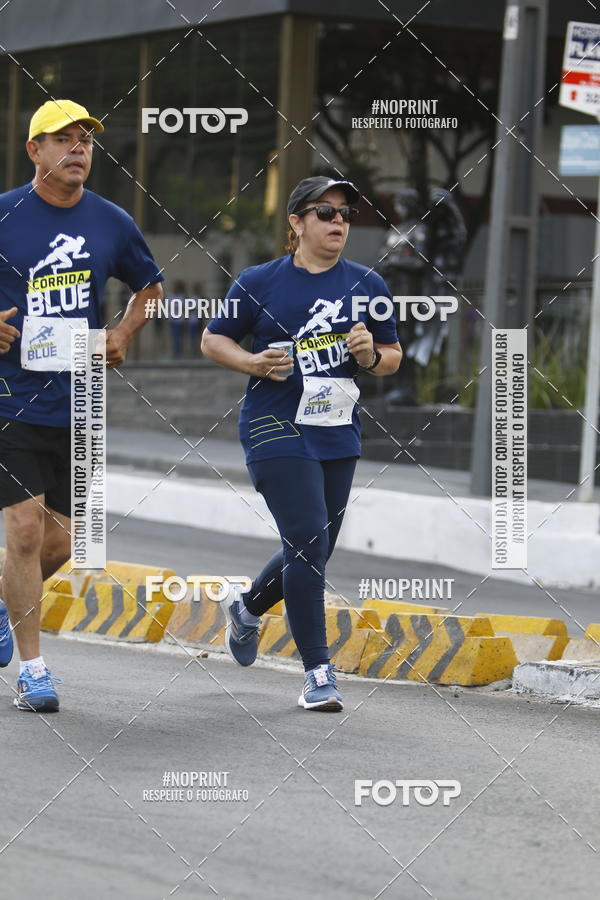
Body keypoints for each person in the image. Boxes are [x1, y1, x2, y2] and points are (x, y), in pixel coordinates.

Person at [201, 176, 402, 711]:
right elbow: (212, 338)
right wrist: (251, 362)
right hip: (273, 425)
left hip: (336, 428)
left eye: (344, 214)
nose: (338, 222)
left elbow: (391, 356)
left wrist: (366, 356)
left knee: (315, 546)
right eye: (324, 212)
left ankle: (246, 609)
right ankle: (317, 672)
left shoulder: (368, 285)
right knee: (309, 536)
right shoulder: (259, 281)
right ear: (296, 224)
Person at [0, 99, 164, 712]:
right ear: (34, 151)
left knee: (62, 544)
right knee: (21, 529)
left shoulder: (112, 221)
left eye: (86, 141)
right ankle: (34, 670)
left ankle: (3, 605)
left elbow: (150, 284)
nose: (78, 150)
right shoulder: (5, 215)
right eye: (63, 140)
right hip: (11, 398)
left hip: (82, 402)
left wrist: (123, 332)